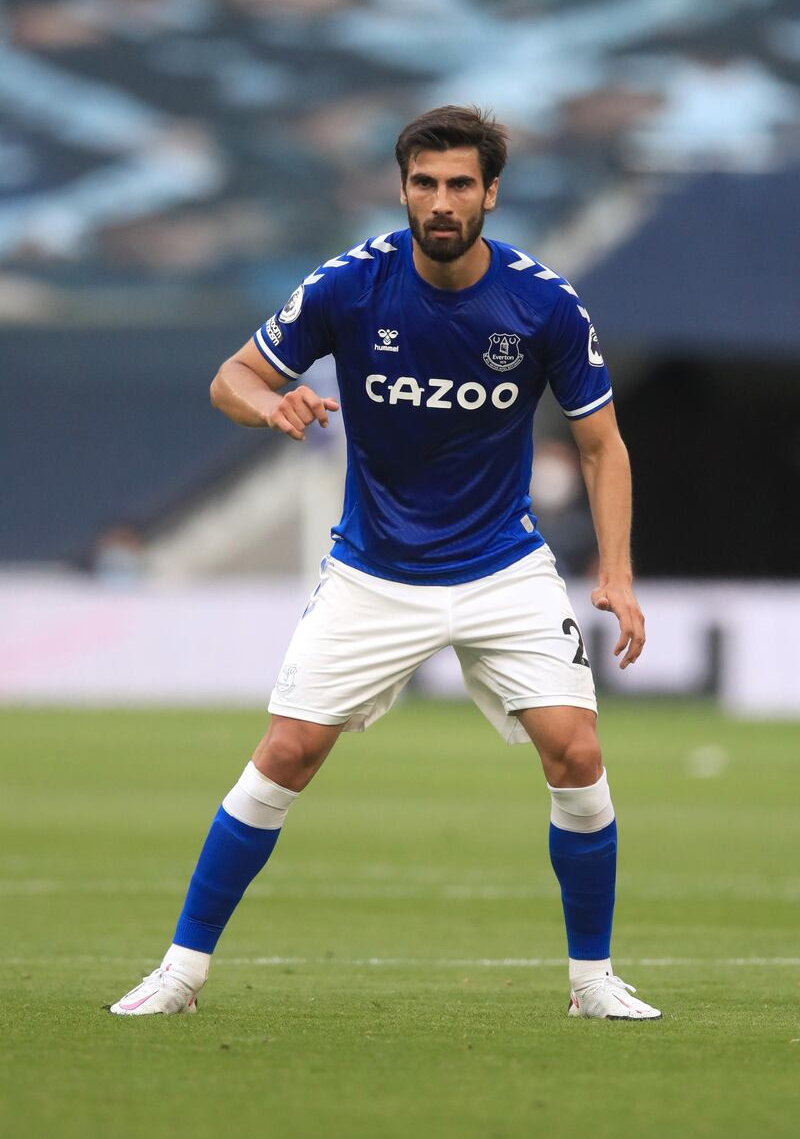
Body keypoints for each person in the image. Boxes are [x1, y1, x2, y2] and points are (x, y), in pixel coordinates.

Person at [111, 105, 660, 1020]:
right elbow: (232, 377)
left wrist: (618, 572)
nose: (439, 202)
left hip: (502, 567)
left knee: (577, 750)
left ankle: (593, 982)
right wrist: (269, 409)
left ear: (491, 193)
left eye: (458, 185)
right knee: (287, 753)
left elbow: (602, 446)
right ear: (402, 187)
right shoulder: (350, 284)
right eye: (423, 183)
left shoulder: (543, 302)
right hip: (375, 570)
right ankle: (181, 972)